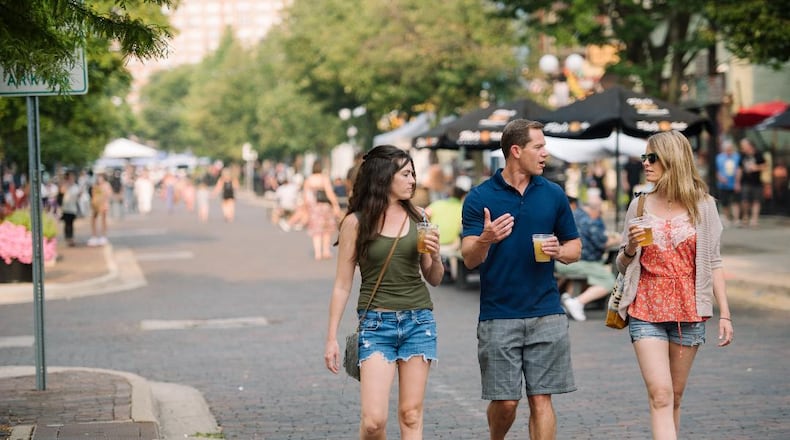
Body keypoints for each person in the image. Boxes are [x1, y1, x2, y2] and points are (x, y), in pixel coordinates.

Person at [461, 119, 581, 440]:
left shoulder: (553, 194)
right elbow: (469, 258)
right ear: (516, 151)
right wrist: (485, 238)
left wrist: (559, 251)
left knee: (541, 398)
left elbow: (575, 248)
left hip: (547, 311)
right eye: (538, 147)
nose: (546, 153)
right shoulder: (479, 198)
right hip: (499, 315)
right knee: (506, 403)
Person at [615, 130, 734, 439]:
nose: (646, 163)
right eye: (644, 157)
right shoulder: (639, 205)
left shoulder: (703, 206)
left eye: (652, 157)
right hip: (646, 308)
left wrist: (725, 314)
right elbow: (621, 263)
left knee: (675, 398)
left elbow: (715, 262)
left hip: (689, 310)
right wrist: (629, 247)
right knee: (661, 395)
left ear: (673, 160)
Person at [324, 145, 444, 439]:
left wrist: (437, 256)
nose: (412, 180)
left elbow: (434, 277)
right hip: (376, 326)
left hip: (419, 322)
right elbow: (342, 284)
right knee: (374, 421)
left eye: (413, 174)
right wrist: (331, 338)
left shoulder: (420, 217)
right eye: (405, 174)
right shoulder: (356, 223)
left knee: (411, 414)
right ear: (384, 176)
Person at [557, 193, 620, 321]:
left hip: (560, 260)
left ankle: (568, 300)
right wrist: (619, 239)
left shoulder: (574, 214)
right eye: (600, 213)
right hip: (575, 261)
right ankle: (578, 302)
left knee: (597, 268)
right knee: (609, 280)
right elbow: (602, 243)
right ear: (595, 210)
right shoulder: (590, 221)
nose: (600, 216)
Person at [425, 175, 470, 282]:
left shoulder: (437, 204)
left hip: (434, 242)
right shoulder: (463, 209)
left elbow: (423, 215)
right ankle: (455, 274)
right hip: (452, 245)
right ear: (465, 195)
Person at [302, 161, 342, 260]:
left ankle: (318, 253)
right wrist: (335, 205)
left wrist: (306, 209)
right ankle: (326, 251)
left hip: (314, 207)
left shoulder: (308, 179)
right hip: (325, 207)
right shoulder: (324, 178)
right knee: (326, 230)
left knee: (316, 230)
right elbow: (329, 192)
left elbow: (306, 196)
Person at [715, 139, 740, 225]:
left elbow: (738, 169)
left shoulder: (736, 156)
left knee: (735, 201)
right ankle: (727, 218)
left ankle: (736, 219)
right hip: (723, 184)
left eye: (730, 149)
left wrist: (737, 182)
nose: (729, 150)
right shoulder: (719, 158)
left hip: (733, 183)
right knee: (725, 202)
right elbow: (716, 170)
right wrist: (720, 178)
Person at [88, 173, 112, 246]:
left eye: (100, 178)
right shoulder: (95, 185)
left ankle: (103, 236)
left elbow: (109, 194)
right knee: (93, 220)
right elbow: (92, 194)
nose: (99, 179)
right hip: (96, 204)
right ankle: (94, 236)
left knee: (103, 220)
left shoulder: (106, 185)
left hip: (103, 204)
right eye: (98, 178)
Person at [58, 171, 81, 247]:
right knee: (67, 223)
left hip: (73, 207)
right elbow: (61, 191)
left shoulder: (75, 186)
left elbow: (79, 195)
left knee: (71, 223)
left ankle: (71, 238)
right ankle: (68, 238)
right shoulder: (65, 185)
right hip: (66, 207)